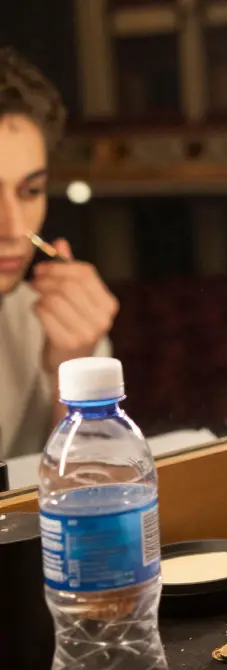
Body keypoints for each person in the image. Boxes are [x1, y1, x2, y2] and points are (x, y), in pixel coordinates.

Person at [0, 48, 116, 459]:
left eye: (30, 191)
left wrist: (73, 368)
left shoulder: (60, 324)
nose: (14, 229)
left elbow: (86, 490)